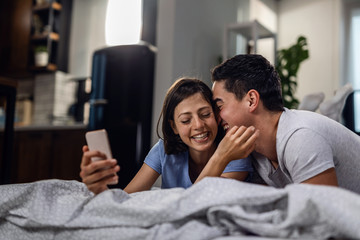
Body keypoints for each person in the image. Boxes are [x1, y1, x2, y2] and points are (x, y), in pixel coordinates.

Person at [211, 54, 360, 194]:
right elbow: (206, 196)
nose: (216, 118)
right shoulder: (255, 151)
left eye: (219, 106)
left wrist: (220, 156)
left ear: (251, 100)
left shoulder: (301, 138)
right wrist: (220, 157)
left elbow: (323, 214)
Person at [80, 78, 258, 194]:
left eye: (205, 114)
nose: (198, 125)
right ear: (173, 127)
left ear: (216, 115)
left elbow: (197, 203)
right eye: (186, 120)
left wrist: (221, 156)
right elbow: (128, 198)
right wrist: (98, 188)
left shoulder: (234, 153)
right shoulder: (163, 150)